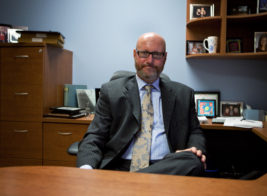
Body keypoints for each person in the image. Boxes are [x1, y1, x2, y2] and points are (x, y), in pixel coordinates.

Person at [77, 32, 206, 176]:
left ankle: (133, 182)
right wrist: (86, 169)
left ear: (165, 57)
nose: (150, 60)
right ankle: (143, 181)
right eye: (144, 53)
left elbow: (195, 132)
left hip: (167, 166)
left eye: (157, 54)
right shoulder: (111, 91)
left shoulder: (183, 94)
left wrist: (196, 149)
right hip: (121, 165)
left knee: (193, 160)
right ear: (134, 54)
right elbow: (94, 136)